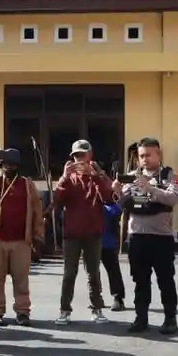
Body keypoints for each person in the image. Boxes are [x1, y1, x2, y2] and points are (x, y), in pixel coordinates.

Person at [0, 148, 45, 327]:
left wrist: (38, 236)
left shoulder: (27, 184)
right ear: (0, 165)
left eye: (12, 164)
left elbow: (36, 211)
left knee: (21, 279)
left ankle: (22, 312)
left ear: (18, 166)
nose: (9, 167)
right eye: (5, 164)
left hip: (21, 239)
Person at [53, 139, 121, 325]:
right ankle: (64, 310)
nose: (80, 159)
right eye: (76, 156)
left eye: (83, 155)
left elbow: (109, 197)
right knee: (69, 274)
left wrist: (97, 175)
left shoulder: (97, 175)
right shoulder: (69, 178)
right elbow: (57, 202)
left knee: (93, 274)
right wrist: (63, 178)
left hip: (93, 232)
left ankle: (97, 309)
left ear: (90, 156)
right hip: (72, 234)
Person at [120, 137, 178, 334]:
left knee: (165, 280)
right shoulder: (131, 176)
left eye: (148, 155)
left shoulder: (171, 175)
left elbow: (172, 198)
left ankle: (170, 319)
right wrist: (150, 200)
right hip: (138, 236)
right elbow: (127, 201)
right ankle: (141, 318)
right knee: (140, 281)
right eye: (141, 156)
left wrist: (149, 189)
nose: (144, 159)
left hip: (161, 237)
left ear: (158, 154)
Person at [100, 199, 125, 312]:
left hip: (107, 242)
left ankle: (118, 298)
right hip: (89, 241)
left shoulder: (110, 204)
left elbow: (117, 211)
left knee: (113, 270)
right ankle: (96, 298)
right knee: (92, 272)